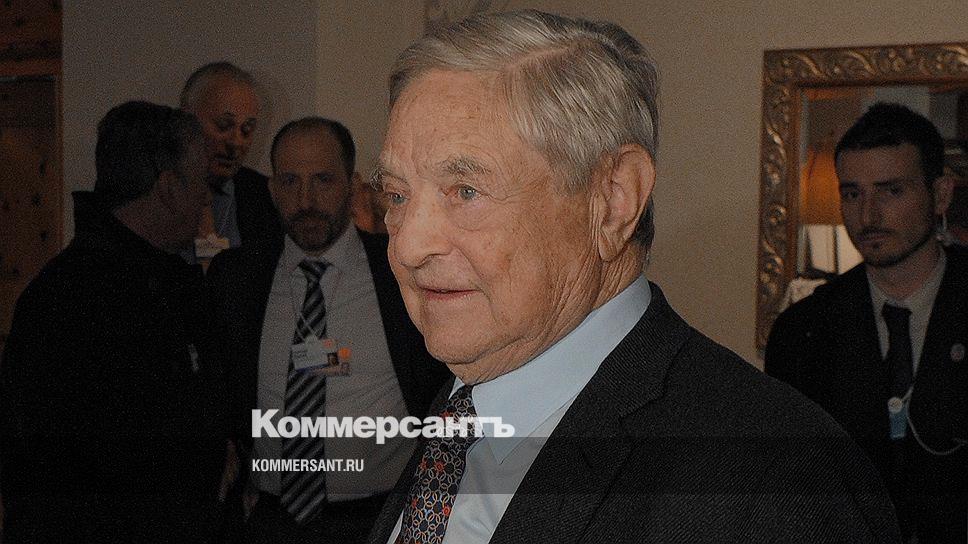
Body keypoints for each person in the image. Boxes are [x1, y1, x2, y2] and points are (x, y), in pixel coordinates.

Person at [366, 10, 901, 544]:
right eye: (397, 195)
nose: (408, 245)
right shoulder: (464, 404)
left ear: (613, 201)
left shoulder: (774, 486)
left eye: (465, 192)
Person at [206, 117, 449, 543]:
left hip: (379, 519)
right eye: (290, 182)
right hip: (271, 520)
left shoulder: (400, 272)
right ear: (272, 189)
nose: (306, 200)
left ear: (352, 186)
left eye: (323, 180)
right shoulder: (237, 278)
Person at [0, 101, 227, 542]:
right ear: (168, 188)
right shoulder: (73, 299)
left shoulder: (164, 282)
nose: (207, 197)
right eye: (202, 180)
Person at [766, 103, 966, 543]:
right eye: (853, 194)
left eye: (892, 191)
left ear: (940, 195)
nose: (869, 215)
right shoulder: (804, 331)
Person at [180, 61, 280, 263]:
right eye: (224, 125)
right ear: (186, 119)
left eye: (247, 129)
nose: (236, 142)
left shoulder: (265, 198)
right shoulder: (149, 191)